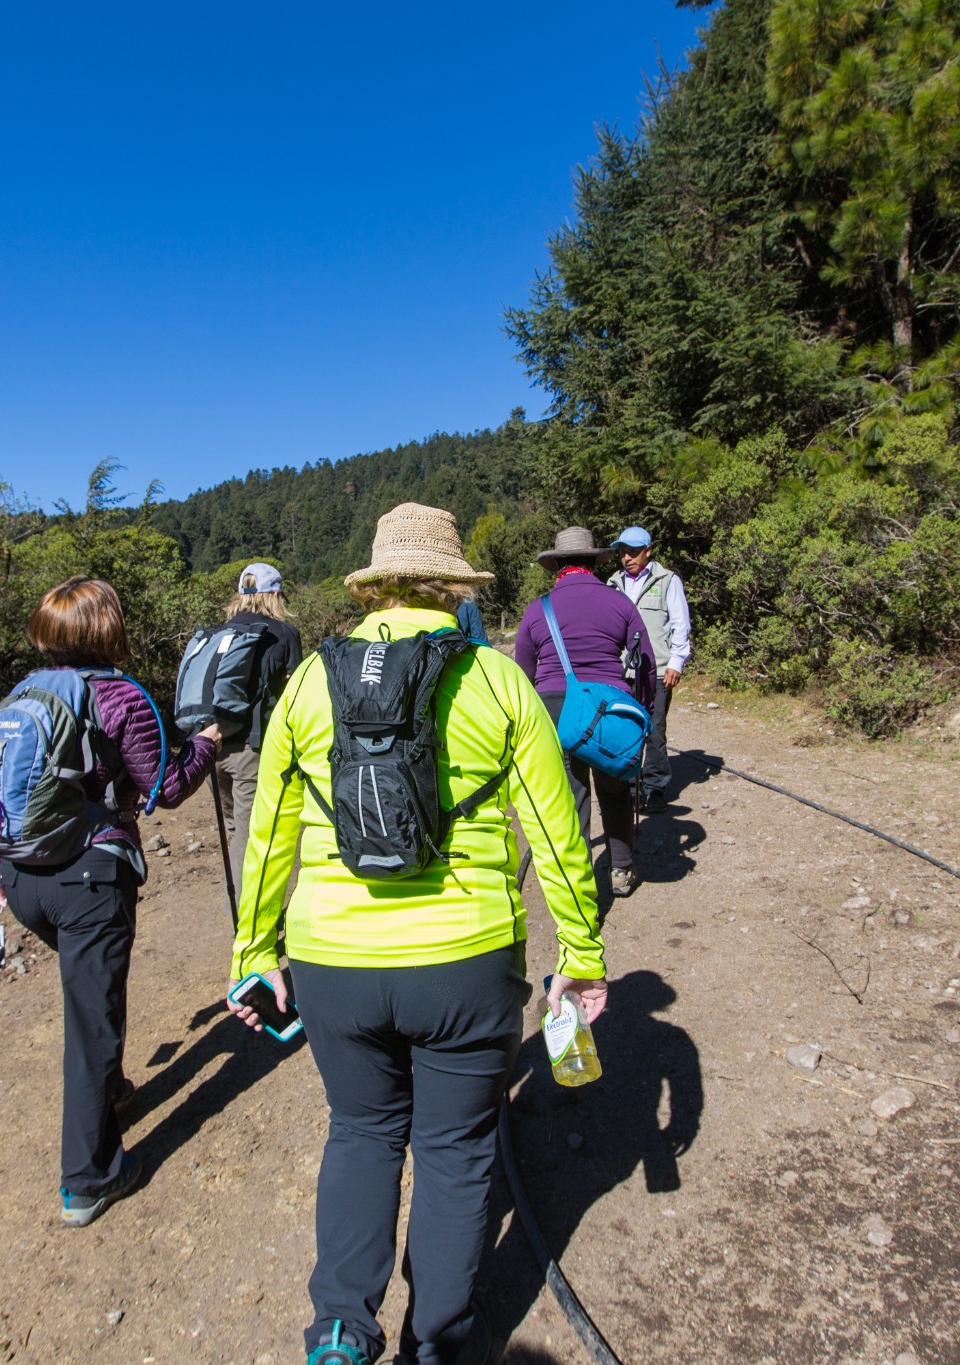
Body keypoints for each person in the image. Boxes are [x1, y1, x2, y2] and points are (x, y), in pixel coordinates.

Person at [227, 503, 607, 1365]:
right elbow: (553, 836)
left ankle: (338, 1330)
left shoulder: (310, 682)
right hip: (466, 964)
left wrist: (254, 954)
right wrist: (579, 957)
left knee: (360, 1132)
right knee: (455, 1150)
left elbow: (270, 835)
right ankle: (433, 1343)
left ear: (373, 586)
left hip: (333, 962)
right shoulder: (497, 677)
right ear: (451, 585)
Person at [0, 577, 220, 1228]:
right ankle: (89, 1179)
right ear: (106, 628)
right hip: (89, 876)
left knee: (91, 996)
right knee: (92, 1022)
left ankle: (111, 1089)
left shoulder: (22, 695)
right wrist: (208, 743)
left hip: (23, 877)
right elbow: (167, 786)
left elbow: (1, 783)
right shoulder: (122, 695)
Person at [513, 526, 655, 899]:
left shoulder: (537, 609)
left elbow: (523, 675)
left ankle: (578, 884)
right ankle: (620, 870)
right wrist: (646, 711)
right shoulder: (620, 603)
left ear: (557, 565)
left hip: (557, 710)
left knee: (571, 796)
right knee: (615, 791)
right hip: (609, 708)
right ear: (594, 562)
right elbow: (646, 665)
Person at [211, 562, 303, 890]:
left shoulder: (218, 633)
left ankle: (241, 910)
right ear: (275, 593)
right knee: (253, 836)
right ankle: (244, 920)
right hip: (254, 750)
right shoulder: (284, 633)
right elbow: (295, 694)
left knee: (236, 830)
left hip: (212, 746)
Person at [608, 526, 691, 812]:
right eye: (622, 553)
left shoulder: (668, 580)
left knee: (655, 731)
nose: (627, 558)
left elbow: (680, 624)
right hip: (622, 672)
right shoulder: (613, 583)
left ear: (648, 551)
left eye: (633, 552)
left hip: (657, 670)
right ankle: (630, 787)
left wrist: (677, 662)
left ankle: (655, 788)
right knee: (626, 730)